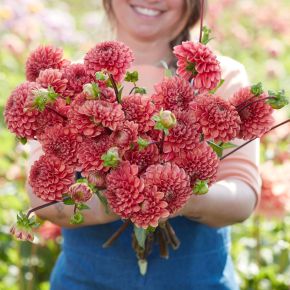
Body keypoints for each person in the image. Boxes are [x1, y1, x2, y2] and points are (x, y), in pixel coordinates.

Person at [27, 1, 261, 289]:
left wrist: (184, 198)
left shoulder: (221, 78)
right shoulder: (69, 83)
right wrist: (129, 201)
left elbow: (243, 193)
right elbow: (41, 197)